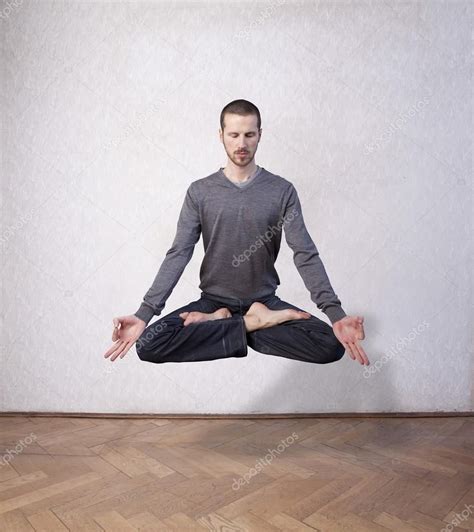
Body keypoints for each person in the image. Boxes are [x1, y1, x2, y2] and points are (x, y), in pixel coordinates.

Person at [104, 99, 369, 367]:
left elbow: (305, 254)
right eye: (233, 135)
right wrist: (144, 313)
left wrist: (336, 314)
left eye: (249, 135)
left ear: (259, 136)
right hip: (212, 302)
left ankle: (232, 324)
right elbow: (179, 253)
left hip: (265, 300)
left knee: (330, 345)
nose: (241, 144)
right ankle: (250, 323)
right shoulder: (200, 192)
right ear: (221, 136)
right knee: (150, 344)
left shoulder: (282, 191)